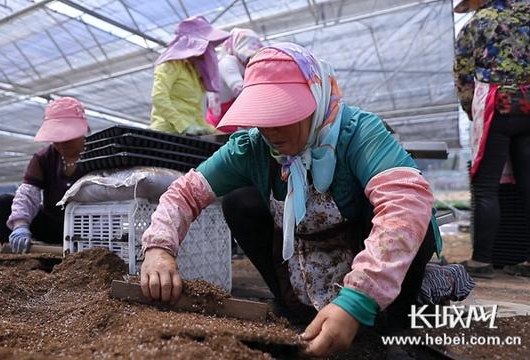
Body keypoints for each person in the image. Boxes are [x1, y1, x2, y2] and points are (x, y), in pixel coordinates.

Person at [139, 43, 445, 357]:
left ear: (316, 100)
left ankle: (388, 321)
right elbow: (185, 192)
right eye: (263, 115)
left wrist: (356, 301)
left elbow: (406, 202)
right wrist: (159, 248)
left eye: (283, 112)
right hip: (307, 258)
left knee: (403, 217)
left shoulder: (359, 132)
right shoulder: (253, 147)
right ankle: (295, 308)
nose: (270, 129)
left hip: (369, 262)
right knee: (240, 202)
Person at [453, 0, 530, 278]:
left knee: (486, 185)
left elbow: (463, 74)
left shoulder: (478, 22)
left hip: (497, 108)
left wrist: (471, 110)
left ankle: (481, 261)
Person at [0, 97, 88, 253]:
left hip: (88, 227)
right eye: (57, 138)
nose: (62, 143)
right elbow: (27, 193)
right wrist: (20, 225)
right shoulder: (44, 158)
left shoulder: (99, 153)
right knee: (2, 203)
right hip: (53, 225)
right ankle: (14, 257)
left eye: (68, 137)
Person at [150, 16, 229, 136]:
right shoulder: (171, 64)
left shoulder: (195, 72)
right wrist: (183, 126)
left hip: (188, 135)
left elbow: (196, 113)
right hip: (165, 133)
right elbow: (159, 97)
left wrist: (217, 132)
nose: (209, 49)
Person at [206, 28, 263, 133]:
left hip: (234, 124)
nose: (249, 58)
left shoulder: (245, 66)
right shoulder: (227, 63)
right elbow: (242, 93)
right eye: (247, 55)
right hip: (221, 127)